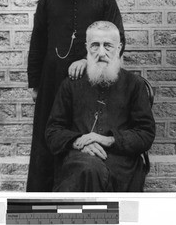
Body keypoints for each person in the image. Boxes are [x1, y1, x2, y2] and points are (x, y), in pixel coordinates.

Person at [27, 0, 125, 192]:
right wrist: (35, 85)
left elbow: (118, 40)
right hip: (51, 83)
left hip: (90, 84)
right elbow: (37, 43)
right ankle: (44, 204)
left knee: (83, 144)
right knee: (47, 141)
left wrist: (86, 58)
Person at [45, 21, 155, 192]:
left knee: (92, 170)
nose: (101, 52)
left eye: (108, 46)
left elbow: (146, 134)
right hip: (80, 157)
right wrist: (78, 142)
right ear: (86, 47)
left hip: (120, 161)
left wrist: (108, 140)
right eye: (95, 45)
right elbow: (53, 132)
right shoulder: (70, 85)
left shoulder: (134, 84)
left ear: (119, 48)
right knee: (87, 168)